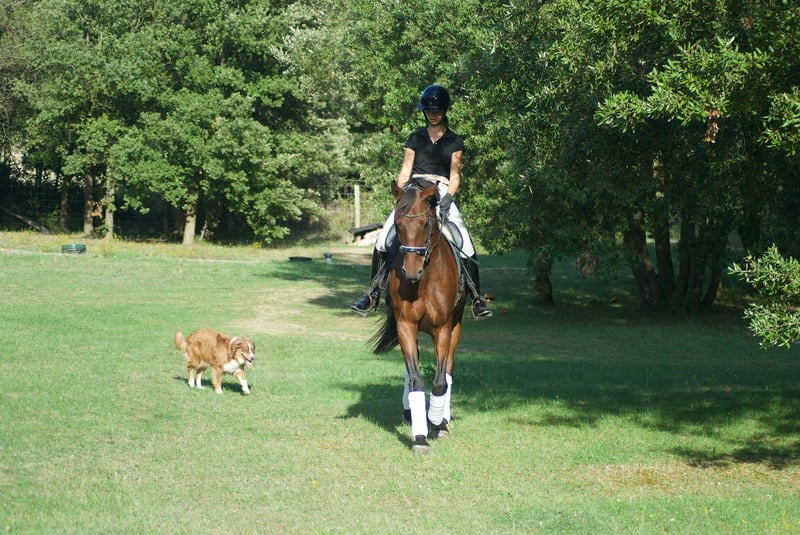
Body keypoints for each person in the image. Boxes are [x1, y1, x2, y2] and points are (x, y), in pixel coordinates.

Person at [350, 84, 492, 320]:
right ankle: (372, 294)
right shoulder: (415, 138)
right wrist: (401, 195)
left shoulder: (454, 141)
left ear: (444, 111)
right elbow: (405, 170)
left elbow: (455, 175)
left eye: (436, 111)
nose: (432, 114)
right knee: (383, 240)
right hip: (413, 189)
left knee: (465, 243)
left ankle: (476, 298)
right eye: (428, 111)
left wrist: (448, 198)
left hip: (441, 189)